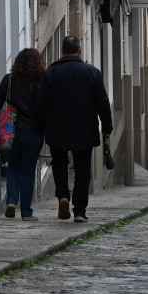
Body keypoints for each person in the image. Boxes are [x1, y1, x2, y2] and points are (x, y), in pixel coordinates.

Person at [43, 35, 113, 223]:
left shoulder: (50, 73)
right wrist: (107, 127)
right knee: (83, 169)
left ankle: (63, 196)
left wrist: (43, 125)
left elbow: (42, 102)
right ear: (80, 50)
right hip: (84, 129)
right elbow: (102, 103)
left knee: (59, 163)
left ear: (62, 51)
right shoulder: (92, 73)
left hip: (57, 128)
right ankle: (80, 210)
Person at [0, 48, 47, 221]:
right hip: (34, 132)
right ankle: (26, 212)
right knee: (28, 170)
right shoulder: (41, 82)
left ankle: (11, 201)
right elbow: (46, 106)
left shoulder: (9, 80)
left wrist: (3, 120)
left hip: (12, 131)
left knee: (13, 167)